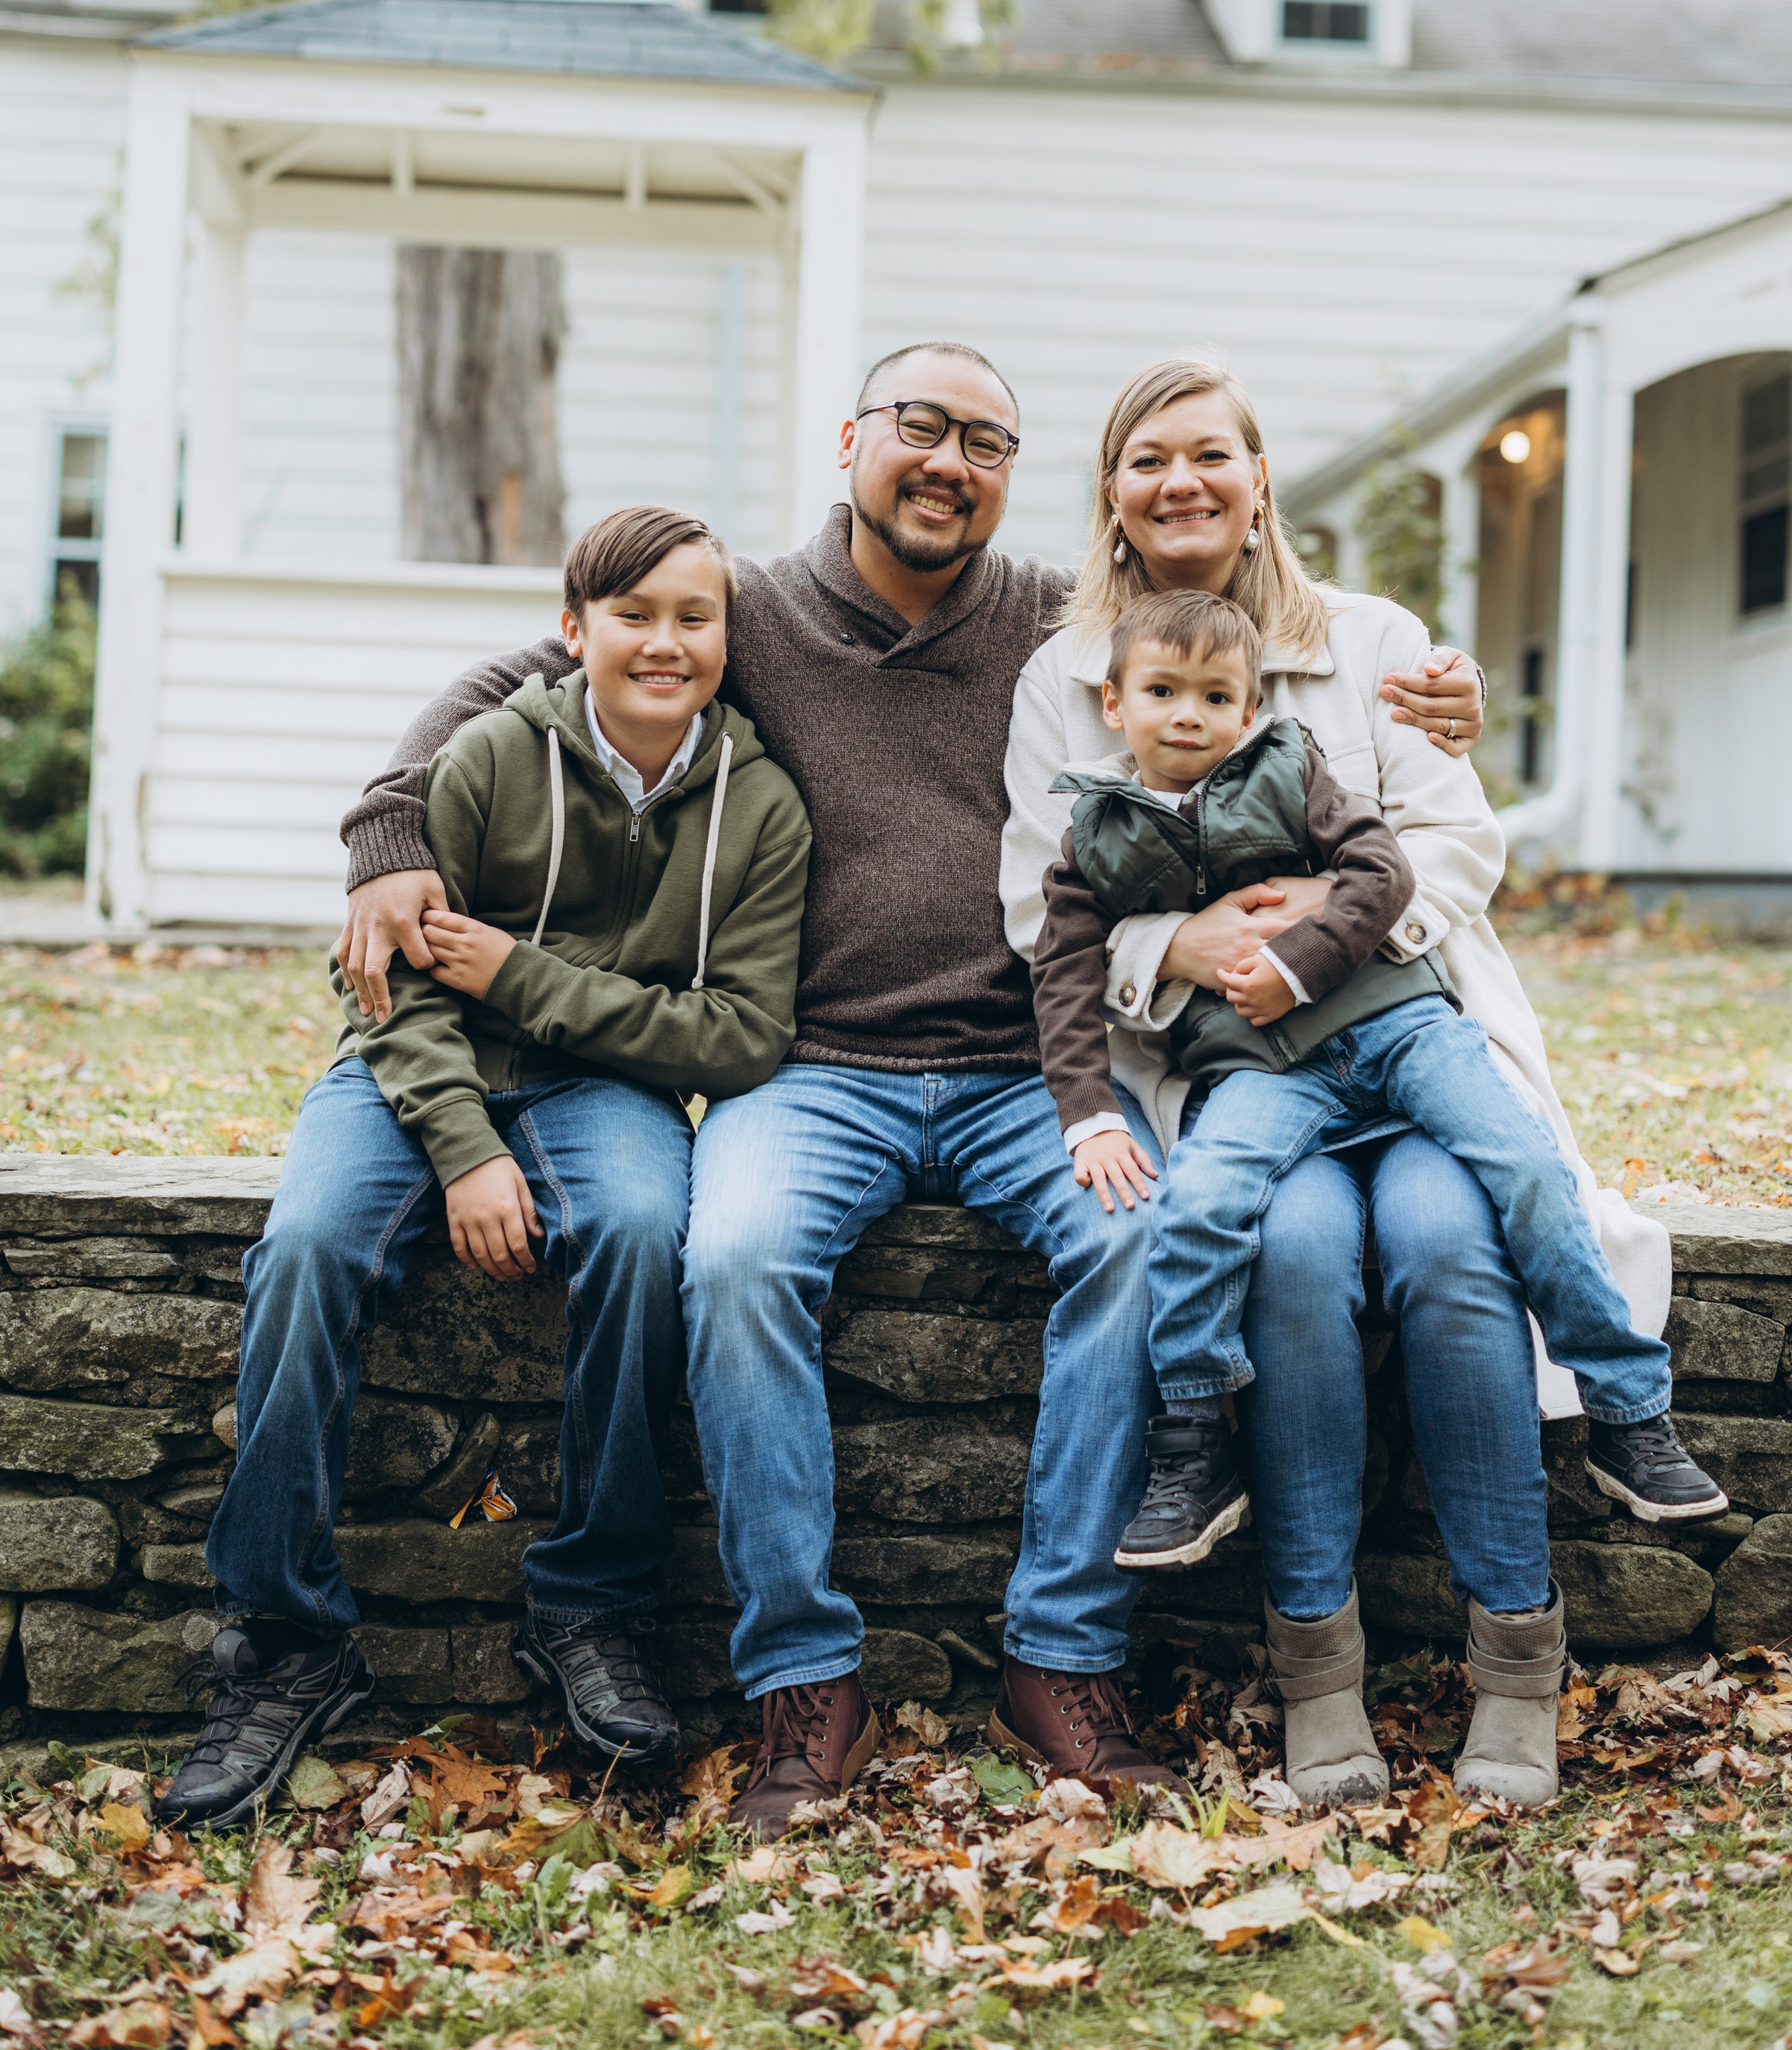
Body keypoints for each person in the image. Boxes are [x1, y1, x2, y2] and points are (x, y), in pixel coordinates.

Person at [330, 341, 1491, 1834]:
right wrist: (387, 833)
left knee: (1139, 1239)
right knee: (732, 1258)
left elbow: (1250, 646)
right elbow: (530, 668)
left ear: (1015, 475)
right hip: (812, 1070)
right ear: (851, 440)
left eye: (985, 441)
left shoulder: (1062, 623)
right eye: (919, 427)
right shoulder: (751, 611)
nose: (948, 462)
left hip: (1029, 1070)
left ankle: (1061, 1658)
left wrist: (1437, 689)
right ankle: (803, 1680)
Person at [1001, 356, 1681, 1811]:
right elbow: (1034, 907)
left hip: (1401, 1034)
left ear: (1258, 484)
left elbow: (1452, 846)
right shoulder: (1064, 679)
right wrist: (1181, 945)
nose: (1180, 482)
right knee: (1295, 1255)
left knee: (1451, 1245)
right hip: (1228, 1061)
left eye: (1210, 454)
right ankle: (1317, 1670)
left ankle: (1517, 1659)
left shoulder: (1375, 642)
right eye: (1145, 459)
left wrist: (1320, 933)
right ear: (1110, 496)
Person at [158, 508, 810, 1831]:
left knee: (643, 1233)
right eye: (633, 615)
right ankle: (285, 1640)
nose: (666, 642)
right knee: (305, 1251)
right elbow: (390, 983)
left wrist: (527, 979)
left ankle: (591, 1605)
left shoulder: (763, 808)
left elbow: (743, 1037)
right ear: (573, 631)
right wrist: (464, 1152)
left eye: (695, 617)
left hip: (604, 1085)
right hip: (411, 1067)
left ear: (728, 638)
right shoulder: (489, 756)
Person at [1031, 587, 1723, 1580]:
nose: (1189, 716)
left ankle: (1626, 1407)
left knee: (1525, 1165)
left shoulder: (1290, 766)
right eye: (1162, 692)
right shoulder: (1092, 834)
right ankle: (1194, 1437)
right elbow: (1063, 978)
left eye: (1216, 697)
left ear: (1249, 709)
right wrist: (1089, 1113)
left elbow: (1384, 870)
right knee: (1199, 1202)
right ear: (1113, 702)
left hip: (1398, 1026)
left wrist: (1299, 962)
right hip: (1263, 1070)